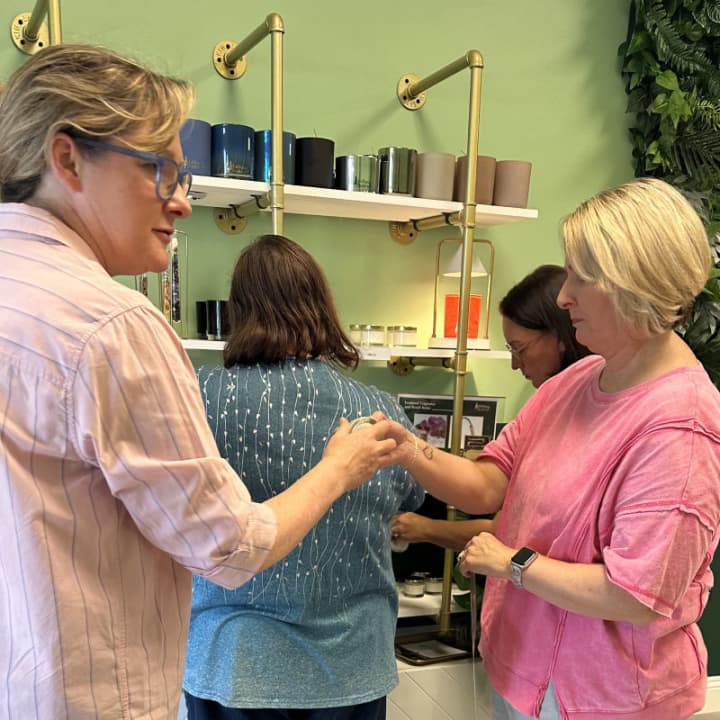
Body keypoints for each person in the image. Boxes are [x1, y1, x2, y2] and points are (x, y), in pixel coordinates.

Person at [0, 45, 396, 719]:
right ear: (67, 158)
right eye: (158, 170)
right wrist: (339, 468)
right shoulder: (111, 326)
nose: (181, 201)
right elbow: (229, 546)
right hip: (92, 693)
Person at [381, 177, 720, 719]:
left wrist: (513, 562)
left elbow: (634, 595)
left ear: (633, 283)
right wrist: (409, 450)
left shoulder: (681, 427)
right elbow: (487, 485)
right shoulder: (577, 380)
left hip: (604, 700)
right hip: (525, 675)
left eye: (581, 276)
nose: (564, 297)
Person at [182, 234, 425, 720]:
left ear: (239, 312)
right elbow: (412, 494)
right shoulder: (378, 412)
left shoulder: (199, 396)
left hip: (233, 662)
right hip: (352, 665)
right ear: (322, 306)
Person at [391, 265, 591, 551]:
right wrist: (406, 446)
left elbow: (506, 528)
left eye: (520, 348)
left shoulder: (610, 411)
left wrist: (426, 528)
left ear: (561, 334)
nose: (515, 364)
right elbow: (486, 487)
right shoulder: (544, 405)